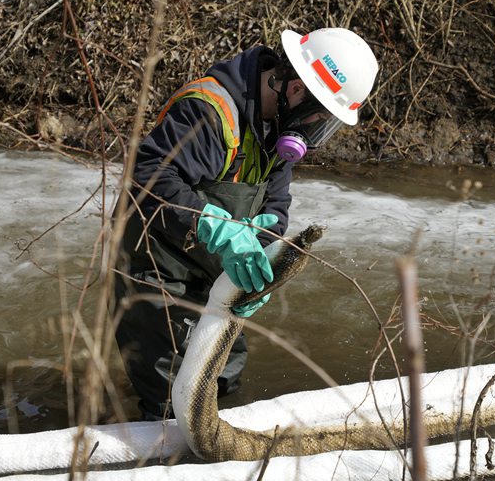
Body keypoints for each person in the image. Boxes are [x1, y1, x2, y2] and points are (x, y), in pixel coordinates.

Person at [114, 27, 379, 421]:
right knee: (170, 403)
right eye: (318, 117)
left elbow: (276, 203)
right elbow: (150, 176)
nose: (316, 131)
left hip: (217, 269)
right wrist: (213, 226)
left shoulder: (280, 128)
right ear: (296, 90)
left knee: (223, 383)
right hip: (159, 267)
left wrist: (263, 259)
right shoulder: (210, 110)